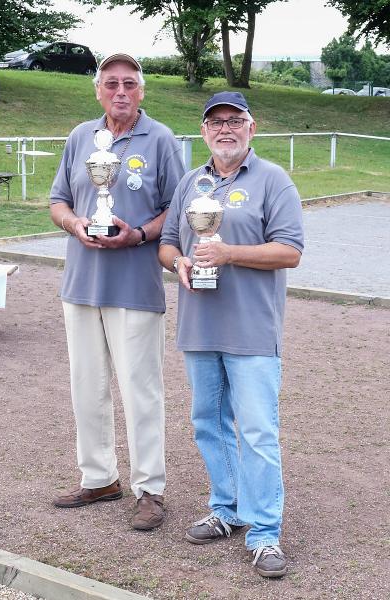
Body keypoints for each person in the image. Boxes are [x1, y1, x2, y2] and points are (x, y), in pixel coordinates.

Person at [159, 91, 304, 576]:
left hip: (252, 330)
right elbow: (167, 243)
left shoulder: (272, 180)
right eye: (216, 121)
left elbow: (290, 252)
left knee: (258, 432)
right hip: (199, 326)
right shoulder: (191, 182)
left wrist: (229, 253)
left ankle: (264, 533)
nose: (226, 129)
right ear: (204, 131)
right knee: (209, 423)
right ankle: (227, 508)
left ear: (251, 127)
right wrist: (179, 262)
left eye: (235, 120)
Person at [50, 53, 185, 530]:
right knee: (86, 387)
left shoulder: (161, 139)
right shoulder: (80, 136)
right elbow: (58, 200)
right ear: (98, 90)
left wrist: (140, 235)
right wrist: (75, 224)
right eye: (111, 83)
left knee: (141, 391)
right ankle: (99, 477)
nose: (120, 91)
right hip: (81, 284)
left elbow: (179, 209)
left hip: (135, 285)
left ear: (141, 91)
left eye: (129, 83)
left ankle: (150, 489)